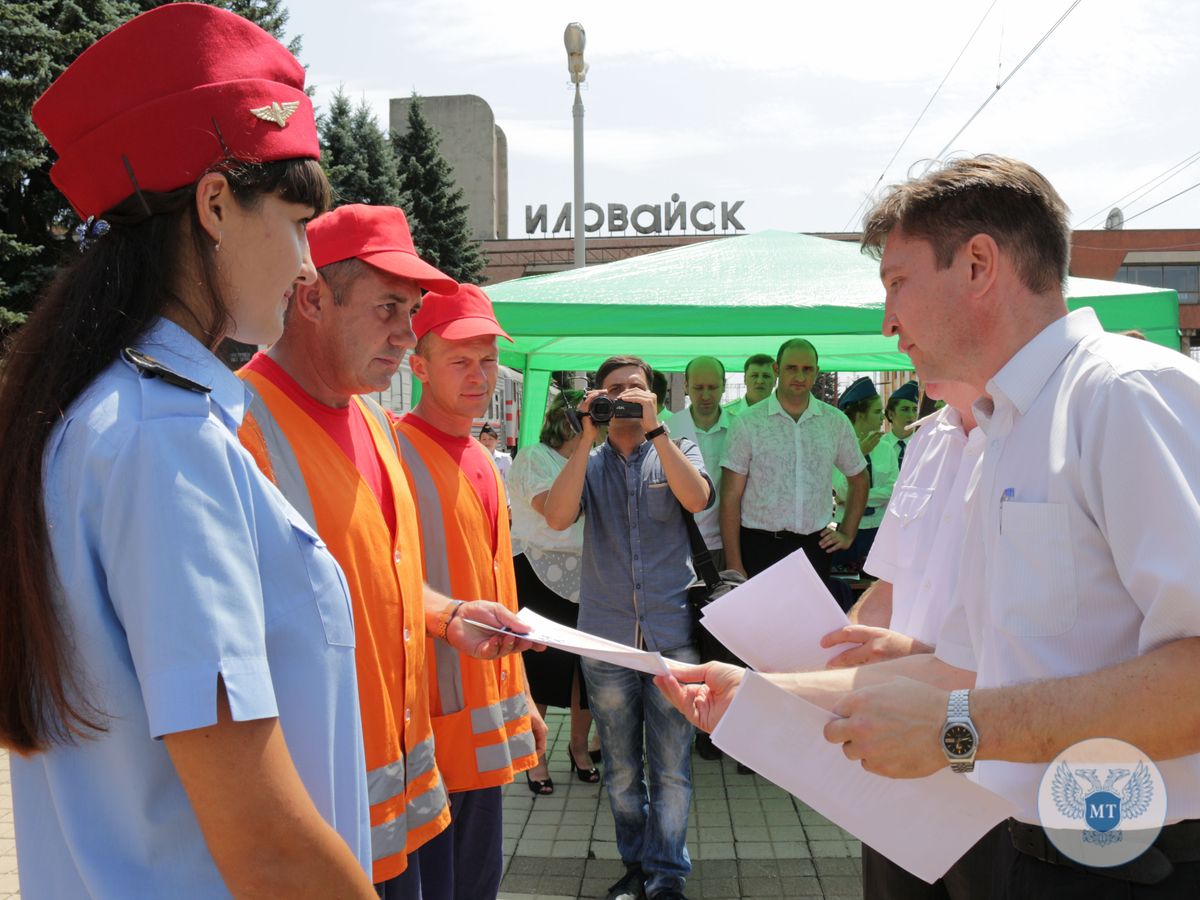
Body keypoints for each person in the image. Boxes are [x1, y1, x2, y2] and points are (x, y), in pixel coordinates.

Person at [659, 155, 1200, 898]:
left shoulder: (1127, 397)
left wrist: (956, 729)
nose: (888, 320)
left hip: (1130, 858)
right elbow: (965, 668)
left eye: (897, 283)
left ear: (979, 263)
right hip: (1023, 847)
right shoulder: (1002, 433)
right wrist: (754, 693)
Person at [0, 6, 377, 896]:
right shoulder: (163, 441)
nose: (306, 266)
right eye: (295, 225)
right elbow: (265, 845)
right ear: (214, 203)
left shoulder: (98, 417)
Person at [236, 202, 538, 896]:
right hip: (323, 831)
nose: (408, 334)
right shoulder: (238, 428)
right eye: (389, 310)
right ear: (311, 296)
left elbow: (375, 577)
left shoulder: (371, 425)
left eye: (413, 313)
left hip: (408, 812)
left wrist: (446, 614)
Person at [394, 283, 546, 900]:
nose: (479, 374)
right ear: (419, 366)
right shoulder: (396, 453)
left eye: (487, 359)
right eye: (460, 360)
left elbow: (497, 587)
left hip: (480, 737)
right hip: (423, 738)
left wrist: (527, 699)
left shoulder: (482, 458)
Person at [825, 380, 1003, 899]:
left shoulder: (1040, 428)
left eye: (900, 292)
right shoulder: (928, 437)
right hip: (899, 753)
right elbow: (890, 584)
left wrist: (922, 661)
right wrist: (833, 652)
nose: (889, 325)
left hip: (995, 765)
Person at [544, 355, 713, 900]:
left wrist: (657, 427)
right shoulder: (588, 462)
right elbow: (557, 516)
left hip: (672, 637)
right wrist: (585, 433)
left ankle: (667, 875)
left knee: (672, 771)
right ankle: (636, 865)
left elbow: (698, 497)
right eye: (613, 390)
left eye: (634, 390)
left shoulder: (676, 448)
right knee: (619, 772)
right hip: (606, 639)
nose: (624, 399)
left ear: (654, 396)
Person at [508, 390, 600, 794]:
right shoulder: (533, 456)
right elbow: (554, 511)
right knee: (541, 667)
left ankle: (579, 746)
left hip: (591, 574)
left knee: (587, 669)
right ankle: (536, 754)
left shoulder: (597, 459)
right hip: (536, 570)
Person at [720, 338, 869, 584]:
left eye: (807, 369)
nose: (799, 375)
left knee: (810, 624)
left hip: (814, 547)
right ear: (777, 370)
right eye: (791, 368)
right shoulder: (748, 422)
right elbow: (730, 497)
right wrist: (735, 564)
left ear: (816, 372)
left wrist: (847, 532)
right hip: (759, 547)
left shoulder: (834, 422)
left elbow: (859, 478)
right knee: (762, 623)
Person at [668, 355, 735, 762]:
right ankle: (689, 722)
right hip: (678, 548)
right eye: (699, 386)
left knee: (721, 640)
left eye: (713, 387)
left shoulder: (739, 426)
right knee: (686, 638)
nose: (706, 395)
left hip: (722, 545)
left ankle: (720, 726)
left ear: (724, 387)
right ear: (687, 387)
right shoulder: (669, 427)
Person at [831, 376, 898, 576]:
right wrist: (860, 453)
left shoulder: (886, 448)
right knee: (845, 588)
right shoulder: (838, 446)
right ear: (860, 415)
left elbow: (893, 491)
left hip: (878, 529)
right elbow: (842, 489)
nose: (883, 417)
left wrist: (855, 497)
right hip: (847, 530)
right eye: (877, 412)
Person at [878, 379, 920, 470]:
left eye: (914, 410)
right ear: (890, 414)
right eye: (905, 409)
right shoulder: (879, 446)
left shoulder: (923, 444)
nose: (911, 415)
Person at [723, 353, 776, 417]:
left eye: (766, 376)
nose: (760, 381)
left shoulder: (785, 414)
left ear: (775, 381)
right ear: (745, 379)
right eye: (754, 376)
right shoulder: (725, 414)